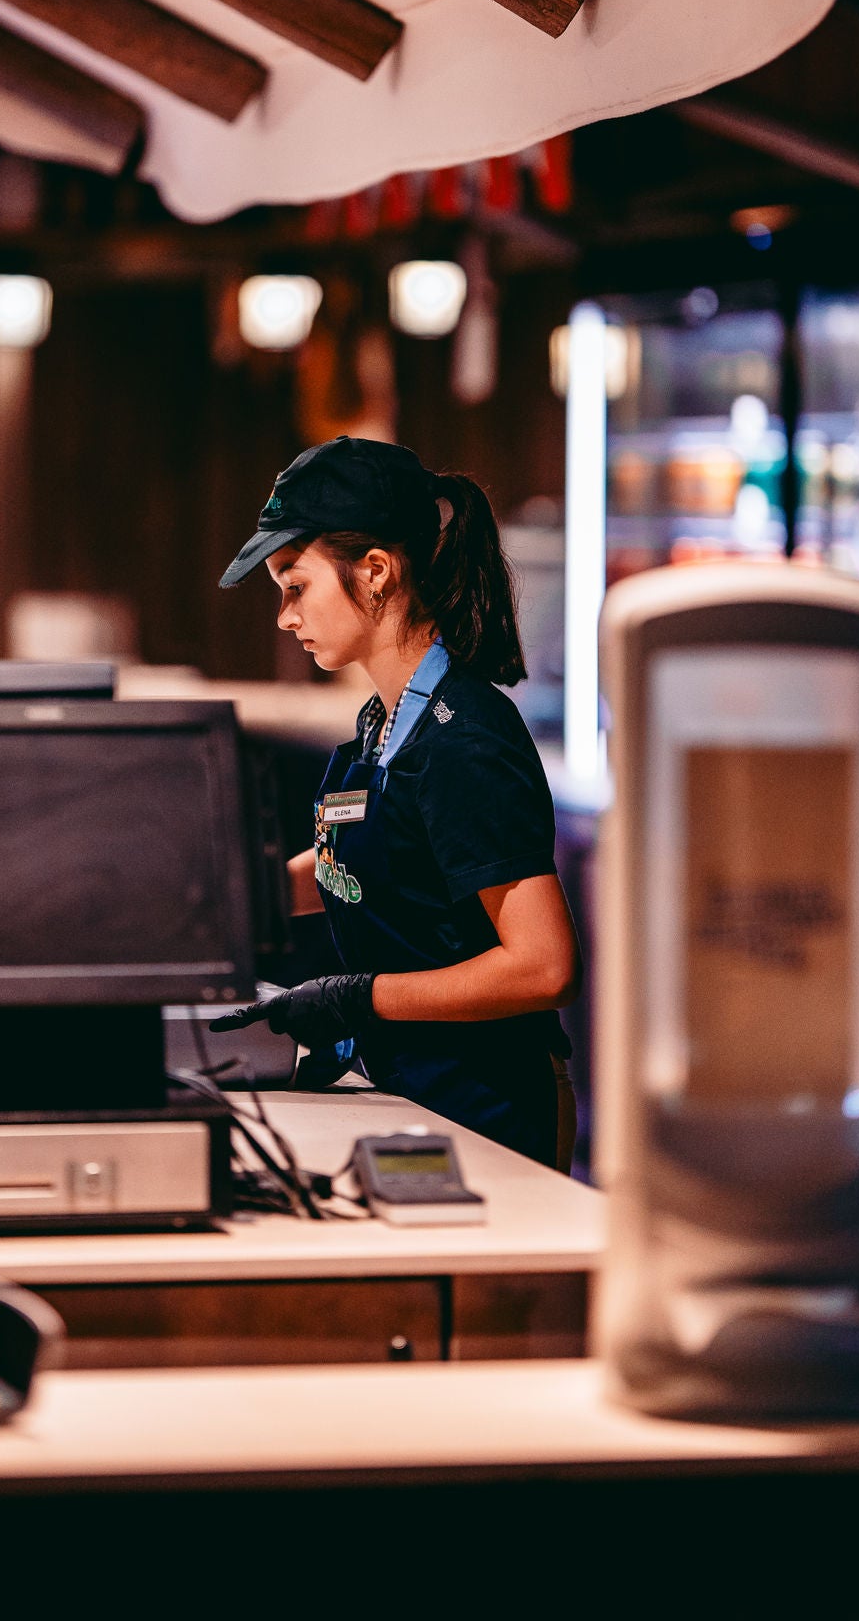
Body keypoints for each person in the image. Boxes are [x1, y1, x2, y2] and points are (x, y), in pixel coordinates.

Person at [212, 435, 582, 1171]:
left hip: (486, 1109)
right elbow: (374, 857)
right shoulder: (383, 722)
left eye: (295, 586)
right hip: (408, 1094)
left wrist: (357, 998)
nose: (285, 617)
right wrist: (223, 902)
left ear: (375, 572)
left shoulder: (463, 738)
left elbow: (542, 967)